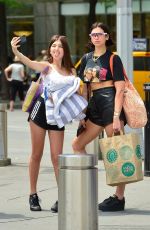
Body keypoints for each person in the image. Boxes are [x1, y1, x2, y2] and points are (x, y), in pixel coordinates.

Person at [10, 35, 87, 213]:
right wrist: (15, 51)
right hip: (40, 111)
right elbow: (28, 62)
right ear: (50, 49)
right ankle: (33, 194)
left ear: (64, 50)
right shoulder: (47, 67)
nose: (56, 49)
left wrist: (82, 115)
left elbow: (77, 95)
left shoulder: (71, 72)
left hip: (57, 116)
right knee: (36, 154)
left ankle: (63, 196)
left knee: (56, 157)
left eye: (59, 46)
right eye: (53, 46)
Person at [72, 22, 127, 212]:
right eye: (93, 34)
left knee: (118, 150)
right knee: (77, 145)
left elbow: (120, 89)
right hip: (94, 104)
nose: (96, 37)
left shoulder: (113, 58)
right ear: (90, 38)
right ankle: (89, 185)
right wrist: (81, 114)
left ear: (106, 37)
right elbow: (82, 88)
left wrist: (116, 116)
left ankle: (118, 198)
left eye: (100, 34)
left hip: (110, 102)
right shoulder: (86, 58)